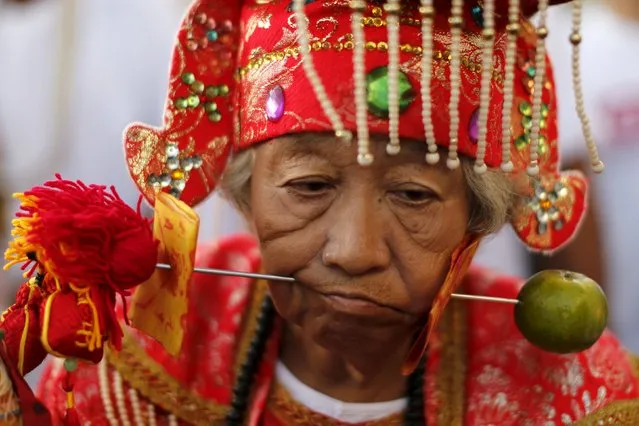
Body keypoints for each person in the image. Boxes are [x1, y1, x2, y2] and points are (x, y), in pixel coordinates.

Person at [1, 0, 639, 425]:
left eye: (414, 195)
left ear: (476, 218)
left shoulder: (572, 393)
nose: (356, 249)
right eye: (308, 186)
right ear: (245, 196)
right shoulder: (129, 367)